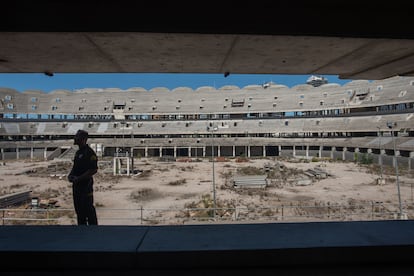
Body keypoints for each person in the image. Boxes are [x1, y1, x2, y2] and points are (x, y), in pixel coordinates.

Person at [68, 129, 98, 225]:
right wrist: (71, 175)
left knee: (88, 211)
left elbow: (93, 169)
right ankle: (81, 232)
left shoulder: (89, 153)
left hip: (85, 187)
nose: (74, 138)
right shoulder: (78, 153)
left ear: (83, 139)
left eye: (77, 136)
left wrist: (79, 178)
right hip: (77, 187)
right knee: (79, 212)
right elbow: (75, 168)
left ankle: (93, 233)